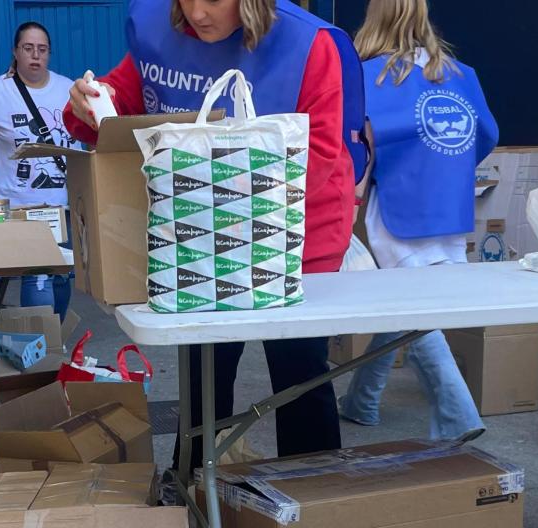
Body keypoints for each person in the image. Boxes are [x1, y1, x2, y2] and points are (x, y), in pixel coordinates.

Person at [65, 0, 363, 468]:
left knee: (300, 373)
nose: (198, 13)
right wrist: (87, 101)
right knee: (205, 373)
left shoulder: (310, 44)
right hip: (195, 244)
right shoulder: (156, 30)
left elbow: (321, 158)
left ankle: (312, 498)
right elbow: (119, 111)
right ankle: (197, 498)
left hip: (294, 241)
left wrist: (214, 203)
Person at [337, 0, 495, 441]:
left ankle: (456, 414)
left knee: (411, 303)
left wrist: (350, 198)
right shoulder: (460, 74)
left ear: (374, 18)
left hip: (399, 201)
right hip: (449, 201)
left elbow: (359, 146)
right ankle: (361, 400)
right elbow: (487, 134)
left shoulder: (367, 76)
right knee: (402, 295)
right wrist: (450, 169)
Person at [0, 21, 77, 317]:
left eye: (42, 49)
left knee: (61, 277)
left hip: (63, 203)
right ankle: (43, 344)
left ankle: (53, 340)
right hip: (22, 206)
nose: (35, 55)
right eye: (28, 48)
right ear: (16, 52)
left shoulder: (69, 89)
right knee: (38, 277)